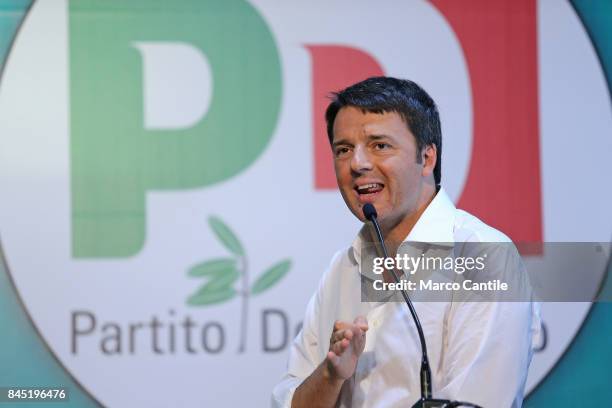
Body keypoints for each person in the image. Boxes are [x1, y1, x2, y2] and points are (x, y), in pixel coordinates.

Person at [272, 77, 541, 407]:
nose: (357, 164)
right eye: (343, 150)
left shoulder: (483, 257)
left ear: (427, 158)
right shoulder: (344, 267)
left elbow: (479, 402)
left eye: (379, 145)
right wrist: (330, 375)